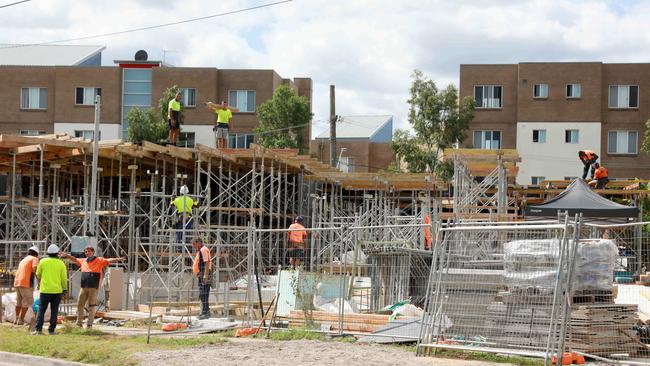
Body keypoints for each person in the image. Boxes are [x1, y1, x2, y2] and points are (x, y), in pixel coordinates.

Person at [61, 246, 126, 329]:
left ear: (93, 252)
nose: (87, 253)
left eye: (89, 251)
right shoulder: (84, 261)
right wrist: (67, 255)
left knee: (91, 306)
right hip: (84, 287)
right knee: (79, 305)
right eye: (86, 252)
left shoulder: (99, 260)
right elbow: (75, 259)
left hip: (93, 288)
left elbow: (108, 260)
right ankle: (79, 323)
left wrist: (118, 259)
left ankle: (89, 324)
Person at [33, 244, 67, 335]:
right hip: (57, 291)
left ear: (48, 253)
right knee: (54, 311)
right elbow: (64, 278)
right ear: (57, 253)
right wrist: (64, 288)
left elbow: (38, 274)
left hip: (45, 291)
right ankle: (51, 330)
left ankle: (38, 330)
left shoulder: (43, 261)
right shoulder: (61, 263)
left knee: (41, 310)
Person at [13, 245, 39, 326]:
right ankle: (20, 320)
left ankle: (16, 319)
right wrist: (40, 280)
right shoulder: (34, 258)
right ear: (36, 254)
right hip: (25, 283)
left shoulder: (23, 260)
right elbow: (35, 268)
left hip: (17, 282)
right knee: (27, 302)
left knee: (19, 302)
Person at [191, 238, 212, 319]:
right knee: (203, 294)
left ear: (199, 242)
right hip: (202, 274)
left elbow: (206, 263)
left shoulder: (203, 250)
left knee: (204, 294)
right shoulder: (201, 250)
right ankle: (205, 311)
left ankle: (205, 312)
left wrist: (205, 276)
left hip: (204, 274)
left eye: (194, 244)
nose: (194, 247)